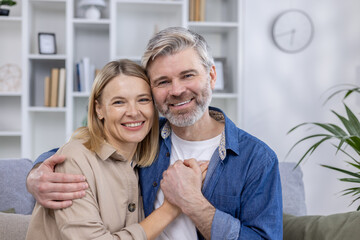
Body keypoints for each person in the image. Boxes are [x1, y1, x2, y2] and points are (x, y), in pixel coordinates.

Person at [27, 27, 283, 239]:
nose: (176, 90)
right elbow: (86, 150)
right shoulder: (145, 136)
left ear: (211, 76)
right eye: (162, 82)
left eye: (188, 75)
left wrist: (191, 201)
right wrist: (36, 173)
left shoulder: (256, 159)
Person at [26, 59, 182, 240]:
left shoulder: (146, 154)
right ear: (99, 109)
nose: (133, 111)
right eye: (119, 102)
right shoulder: (74, 161)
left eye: (143, 99)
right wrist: (171, 209)